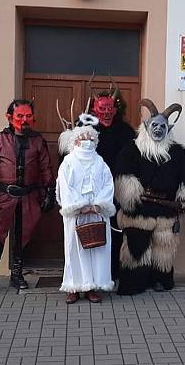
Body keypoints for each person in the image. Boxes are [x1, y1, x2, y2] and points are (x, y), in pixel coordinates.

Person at [113, 99, 185, 295]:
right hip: (139, 209)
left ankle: (161, 279)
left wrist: (184, 202)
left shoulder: (177, 153)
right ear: (145, 126)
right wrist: (131, 200)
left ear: (169, 128)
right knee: (136, 248)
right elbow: (123, 177)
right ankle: (134, 282)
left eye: (162, 126)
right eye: (154, 125)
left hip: (166, 209)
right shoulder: (132, 150)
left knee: (163, 248)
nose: (158, 129)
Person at [0, 99, 55, 295]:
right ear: (10, 117)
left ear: (33, 118)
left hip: (29, 197)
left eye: (28, 116)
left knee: (22, 236)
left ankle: (17, 275)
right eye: (20, 116)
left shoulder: (38, 141)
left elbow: (46, 169)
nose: (24, 120)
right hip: (5, 196)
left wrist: (49, 192)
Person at [56, 125, 116, 304]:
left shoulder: (101, 163)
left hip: (97, 215)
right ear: (75, 141)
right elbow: (64, 187)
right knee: (75, 250)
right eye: (83, 138)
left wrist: (97, 205)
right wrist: (79, 206)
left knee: (97, 250)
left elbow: (108, 184)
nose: (87, 142)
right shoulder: (68, 162)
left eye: (91, 139)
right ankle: (73, 287)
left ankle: (92, 287)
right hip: (76, 216)